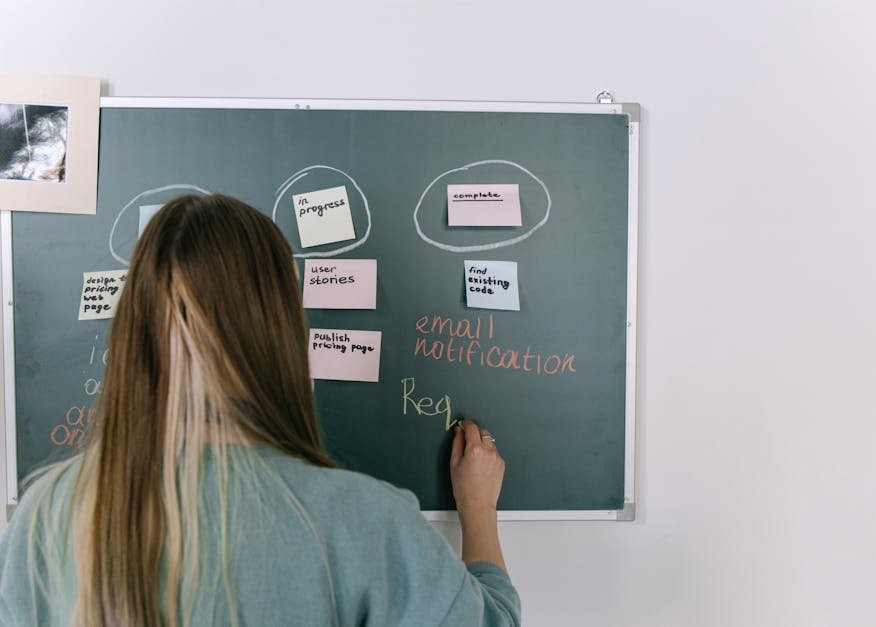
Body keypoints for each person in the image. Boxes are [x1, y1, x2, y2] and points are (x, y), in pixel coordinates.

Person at [0, 194, 520, 626]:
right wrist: (477, 510)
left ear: (133, 331)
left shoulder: (44, 517)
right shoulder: (363, 524)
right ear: (285, 328)